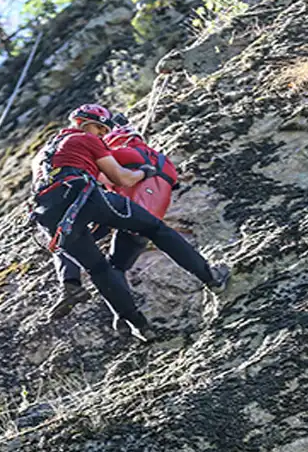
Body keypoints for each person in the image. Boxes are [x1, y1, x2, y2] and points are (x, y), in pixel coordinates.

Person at [31, 103, 227, 341]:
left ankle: (139, 327)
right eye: (100, 128)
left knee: (98, 268)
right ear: (85, 123)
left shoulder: (41, 156)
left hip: (48, 215)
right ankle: (211, 278)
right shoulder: (86, 139)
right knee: (154, 228)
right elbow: (121, 178)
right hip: (83, 196)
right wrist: (144, 173)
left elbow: (91, 174)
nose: (102, 135)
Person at [50, 113, 180, 318]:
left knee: (67, 243)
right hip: (148, 221)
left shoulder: (119, 153)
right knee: (118, 265)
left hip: (123, 212)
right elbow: (174, 183)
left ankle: (80, 290)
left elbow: (110, 177)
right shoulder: (163, 162)